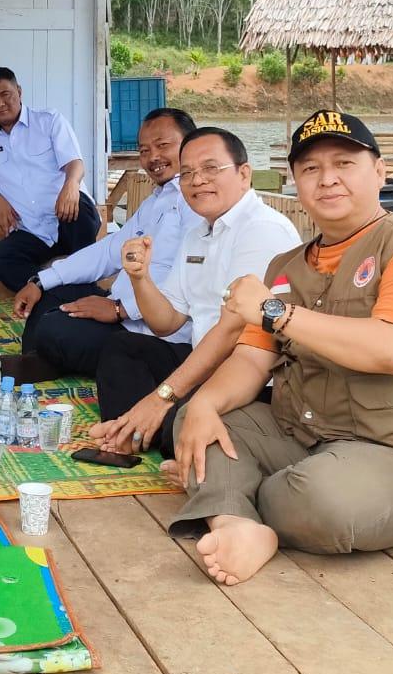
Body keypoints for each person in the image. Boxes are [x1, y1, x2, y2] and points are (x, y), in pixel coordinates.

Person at [166, 110, 393, 587]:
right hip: (308, 438)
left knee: (321, 500)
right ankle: (235, 524)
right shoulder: (286, 266)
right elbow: (253, 359)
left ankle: (227, 497)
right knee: (200, 421)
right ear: (295, 181)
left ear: (379, 172)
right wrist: (205, 405)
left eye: (344, 163)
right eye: (311, 169)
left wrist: (276, 314)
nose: (328, 180)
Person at [89, 126, 300, 458]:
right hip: (202, 361)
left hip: (247, 378)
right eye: (187, 173)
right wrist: (140, 278)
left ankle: (137, 429)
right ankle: (130, 429)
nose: (197, 180)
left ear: (244, 174)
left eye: (211, 169)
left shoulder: (262, 230)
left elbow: (232, 332)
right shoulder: (199, 233)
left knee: (181, 424)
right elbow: (167, 322)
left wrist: (162, 397)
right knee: (122, 346)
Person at [11, 108, 199, 377]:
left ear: (191, 145)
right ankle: (39, 360)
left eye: (163, 145)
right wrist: (40, 280)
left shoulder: (196, 201)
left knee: (55, 328)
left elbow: (190, 277)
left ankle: (49, 359)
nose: (153, 157)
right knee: (51, 294)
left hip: (154, 333)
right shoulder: (156, 200)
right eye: (144, 150)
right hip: (120, 309)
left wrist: (120, 309)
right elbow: (108, 252)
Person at [0, 66, 101, 293]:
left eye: (5, 94)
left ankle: (84, 293)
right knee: (0, 259)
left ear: (19, 92)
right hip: (32, 229)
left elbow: (74, 162)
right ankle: (51, 294)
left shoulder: (49, 121)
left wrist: (71, 185)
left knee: (78, 207)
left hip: (68, 216)